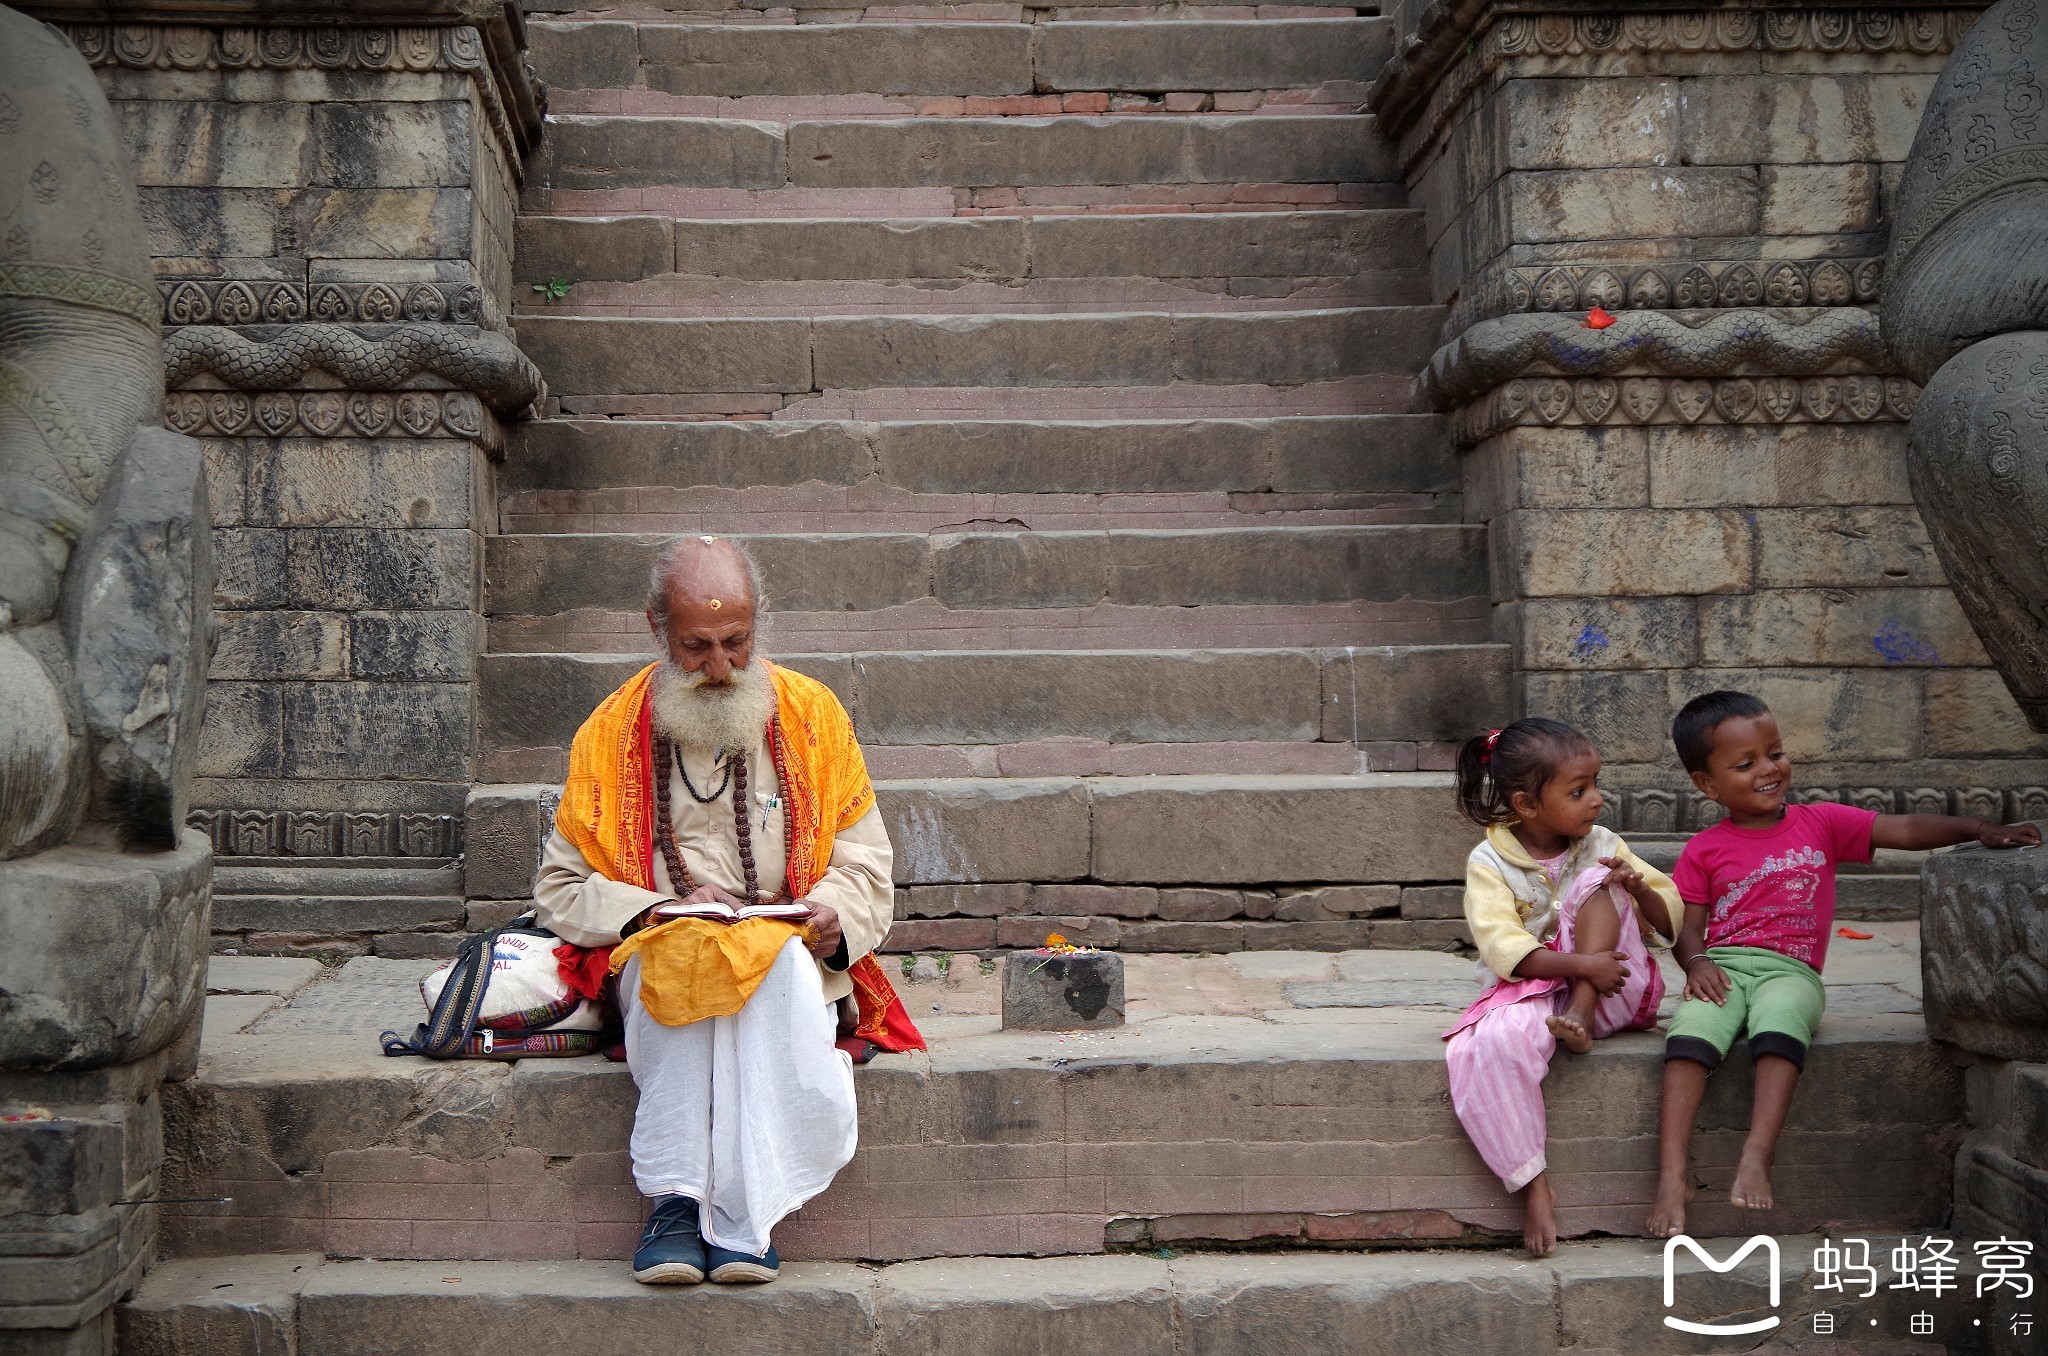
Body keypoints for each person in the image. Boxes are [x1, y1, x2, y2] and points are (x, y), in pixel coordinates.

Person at [532, 535, 923, 1286]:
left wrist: (834, 911)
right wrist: (657, 907)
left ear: (760, 625)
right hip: (663, 950)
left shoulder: (813, 716)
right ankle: (677, 1202)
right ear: (655, 627)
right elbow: (559, 889)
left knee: (771, 962)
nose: (719, 668)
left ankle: (747, 1211)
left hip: (790, 954)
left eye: (737, 643)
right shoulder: (609, 733)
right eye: (696, 647)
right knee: (680, 959)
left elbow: (867, 862)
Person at [1646, 689, 2041, 1237]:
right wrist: (1697, 964)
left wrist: (1977, 830)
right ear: (1707, 785)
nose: (1769, 769)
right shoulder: (1704, 849)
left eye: (1775, 753)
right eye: (1745, 763)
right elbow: (1687, 932)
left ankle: (1758, 1154)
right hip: (1726, 967)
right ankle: (1672, 1174)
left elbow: (1901, 830)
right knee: (1691, 1035)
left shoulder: (1822, 823)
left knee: (1781, 1022)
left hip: (1790, 969)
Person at [1442, 718, 1680, 1257]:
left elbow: (1668, 917)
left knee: (1600, 879)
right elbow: (1504, 949)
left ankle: (1583, 1009)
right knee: (1487, 1046)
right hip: (1537, 993)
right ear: (1526, 804)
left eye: (1596, 783)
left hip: (1613, 990)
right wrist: (1579, 965)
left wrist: (1637, 889)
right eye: (1578, 791)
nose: (1596, 800)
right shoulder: (1489, 862)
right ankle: (1532, 1182)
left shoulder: (1600, 842)